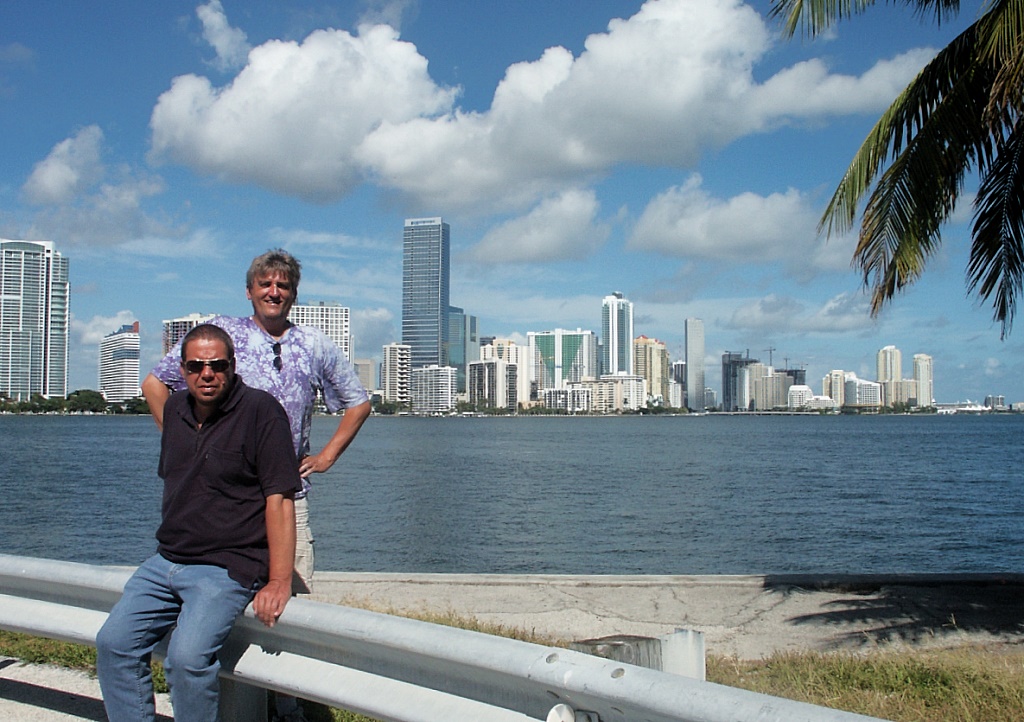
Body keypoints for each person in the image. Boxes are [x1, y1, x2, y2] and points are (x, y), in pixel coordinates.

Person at [142, 249, 370, 722]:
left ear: (293, 294)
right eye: (265, 284)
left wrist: (326, 456)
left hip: (287, 499)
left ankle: (295, 708)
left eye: (283, 286)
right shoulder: (224, 336)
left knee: (291, 607)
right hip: (226, 503)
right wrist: (185, 444)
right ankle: (243, 702)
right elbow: (156, 383)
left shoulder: (315, 345)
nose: (274, 292)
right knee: (219, 603)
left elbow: (358, 402)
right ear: (250, 291)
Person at [97, 324, 300, 722]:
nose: (207, 374)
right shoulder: (175, 411)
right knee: (114, 644)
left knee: (186, 660)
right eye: (196, 366)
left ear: (232, 365)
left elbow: (279, 500)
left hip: (226, 566)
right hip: (166, 561)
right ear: (184, 370)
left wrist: (279, 580)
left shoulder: (262, 412)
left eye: (217, 365)